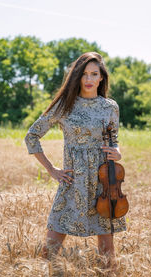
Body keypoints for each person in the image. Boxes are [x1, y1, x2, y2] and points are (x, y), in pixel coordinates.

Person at [24, 52, 126, 265]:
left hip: (103, 181)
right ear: (77, 77)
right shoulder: (64, 105)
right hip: (73, 181)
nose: (88, 80)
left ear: (101, 77)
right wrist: (52, 169)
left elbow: (114, 140)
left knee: (107, 250)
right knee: (51, 245)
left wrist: (118, 152)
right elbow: (31, 136)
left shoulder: (110, 107)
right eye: (84, 74)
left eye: (94, 74)